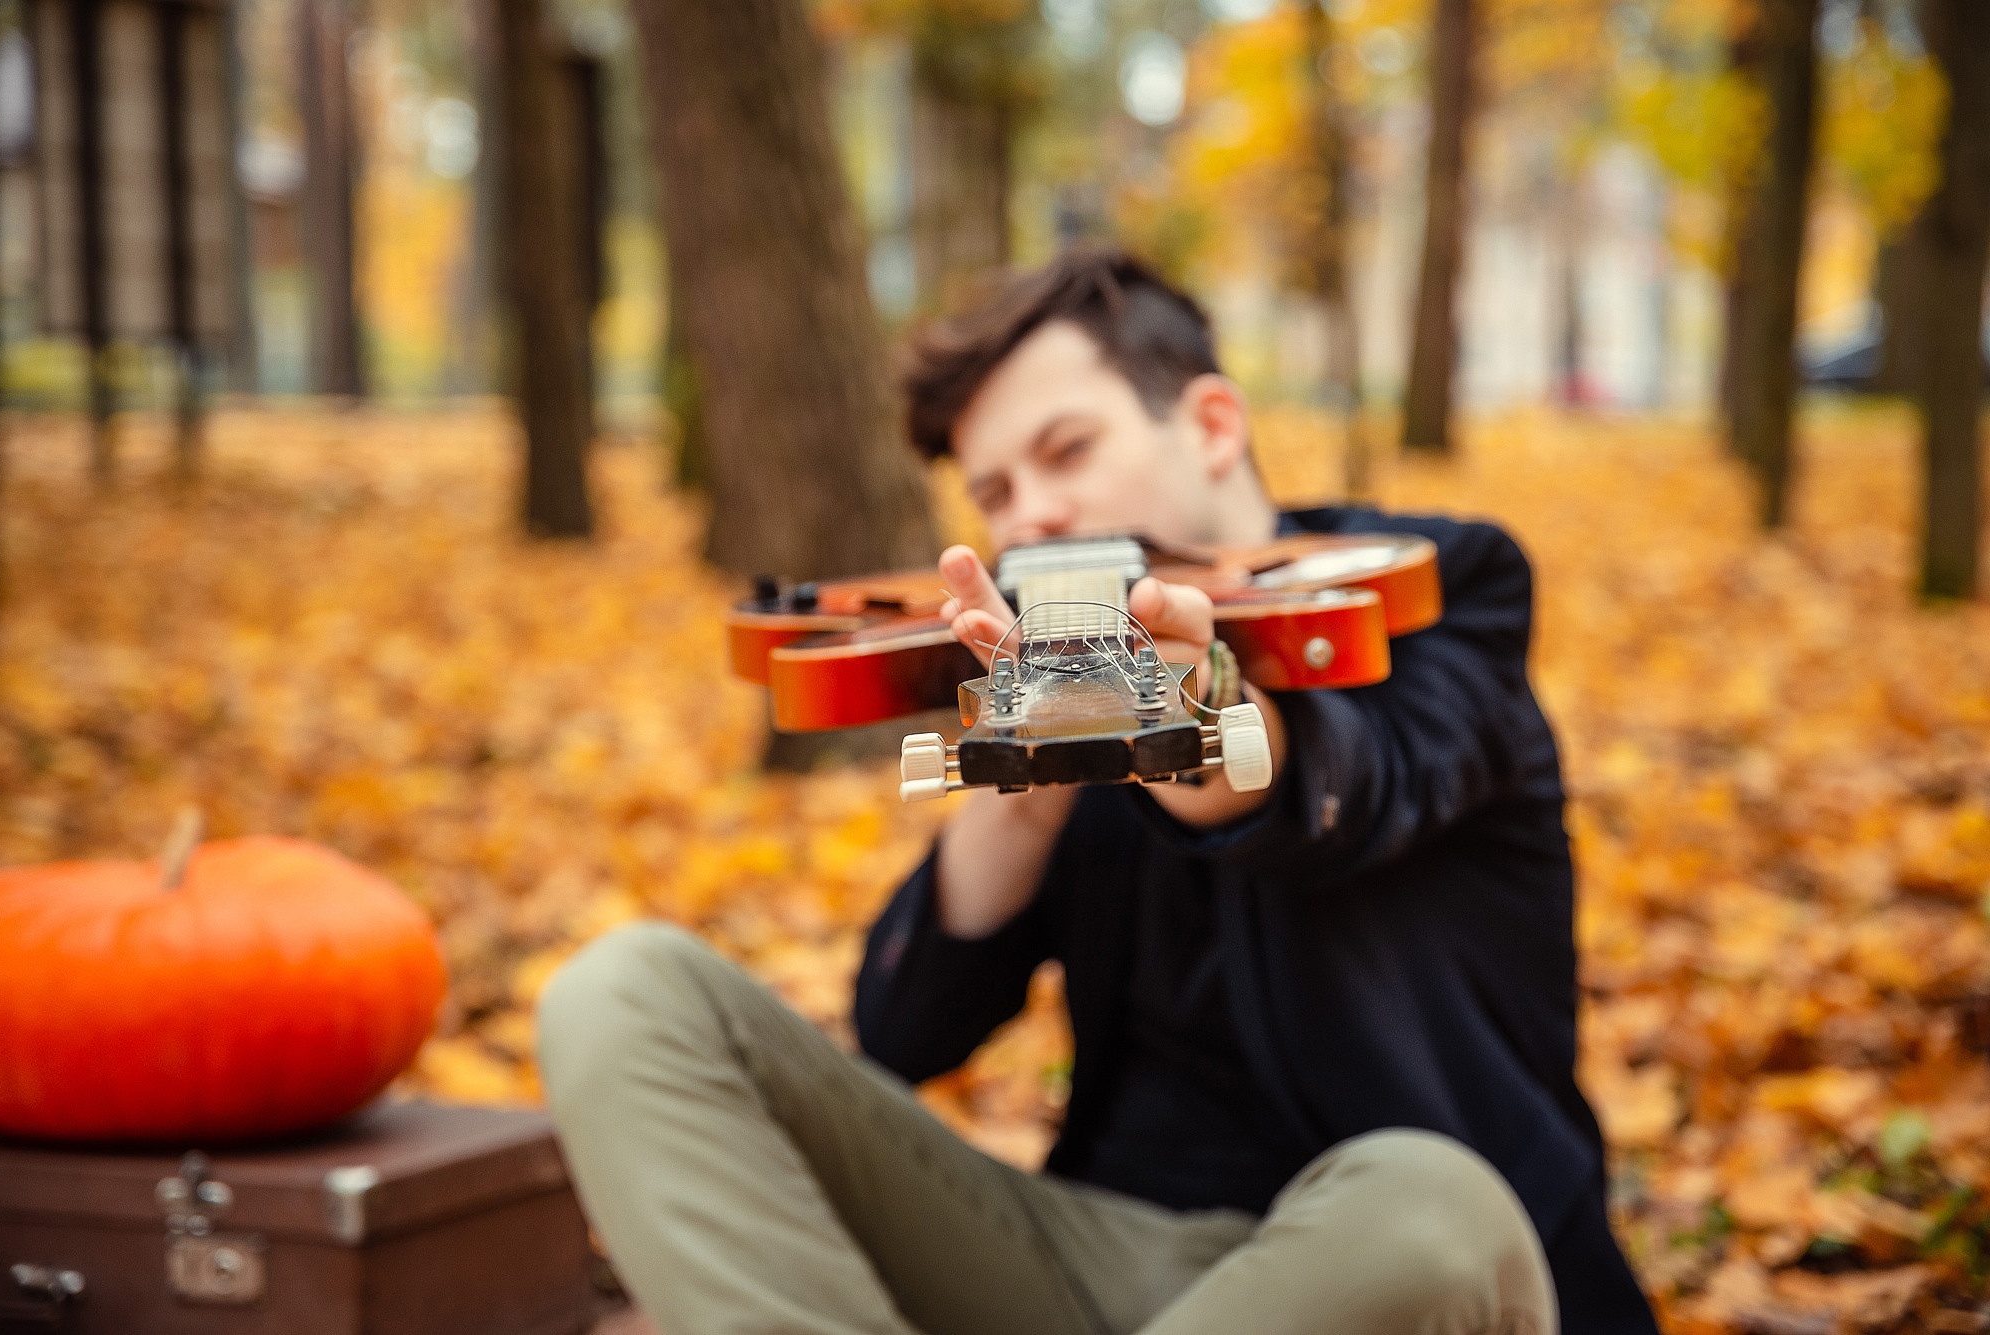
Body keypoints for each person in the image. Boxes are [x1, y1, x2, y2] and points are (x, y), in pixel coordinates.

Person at [537, 248, 1658, 1335]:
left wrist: (1186, 709)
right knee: (624, 993)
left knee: (1432, 1209)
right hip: (1104, 1262)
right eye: (994, 492)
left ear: (1211, 426)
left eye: (1066, 451)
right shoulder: (1045, 657)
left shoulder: (1439, 586)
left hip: (1395, 1278)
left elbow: (1351, 785)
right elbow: (905, 1027)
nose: (1029, 515)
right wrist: (1027, 785)